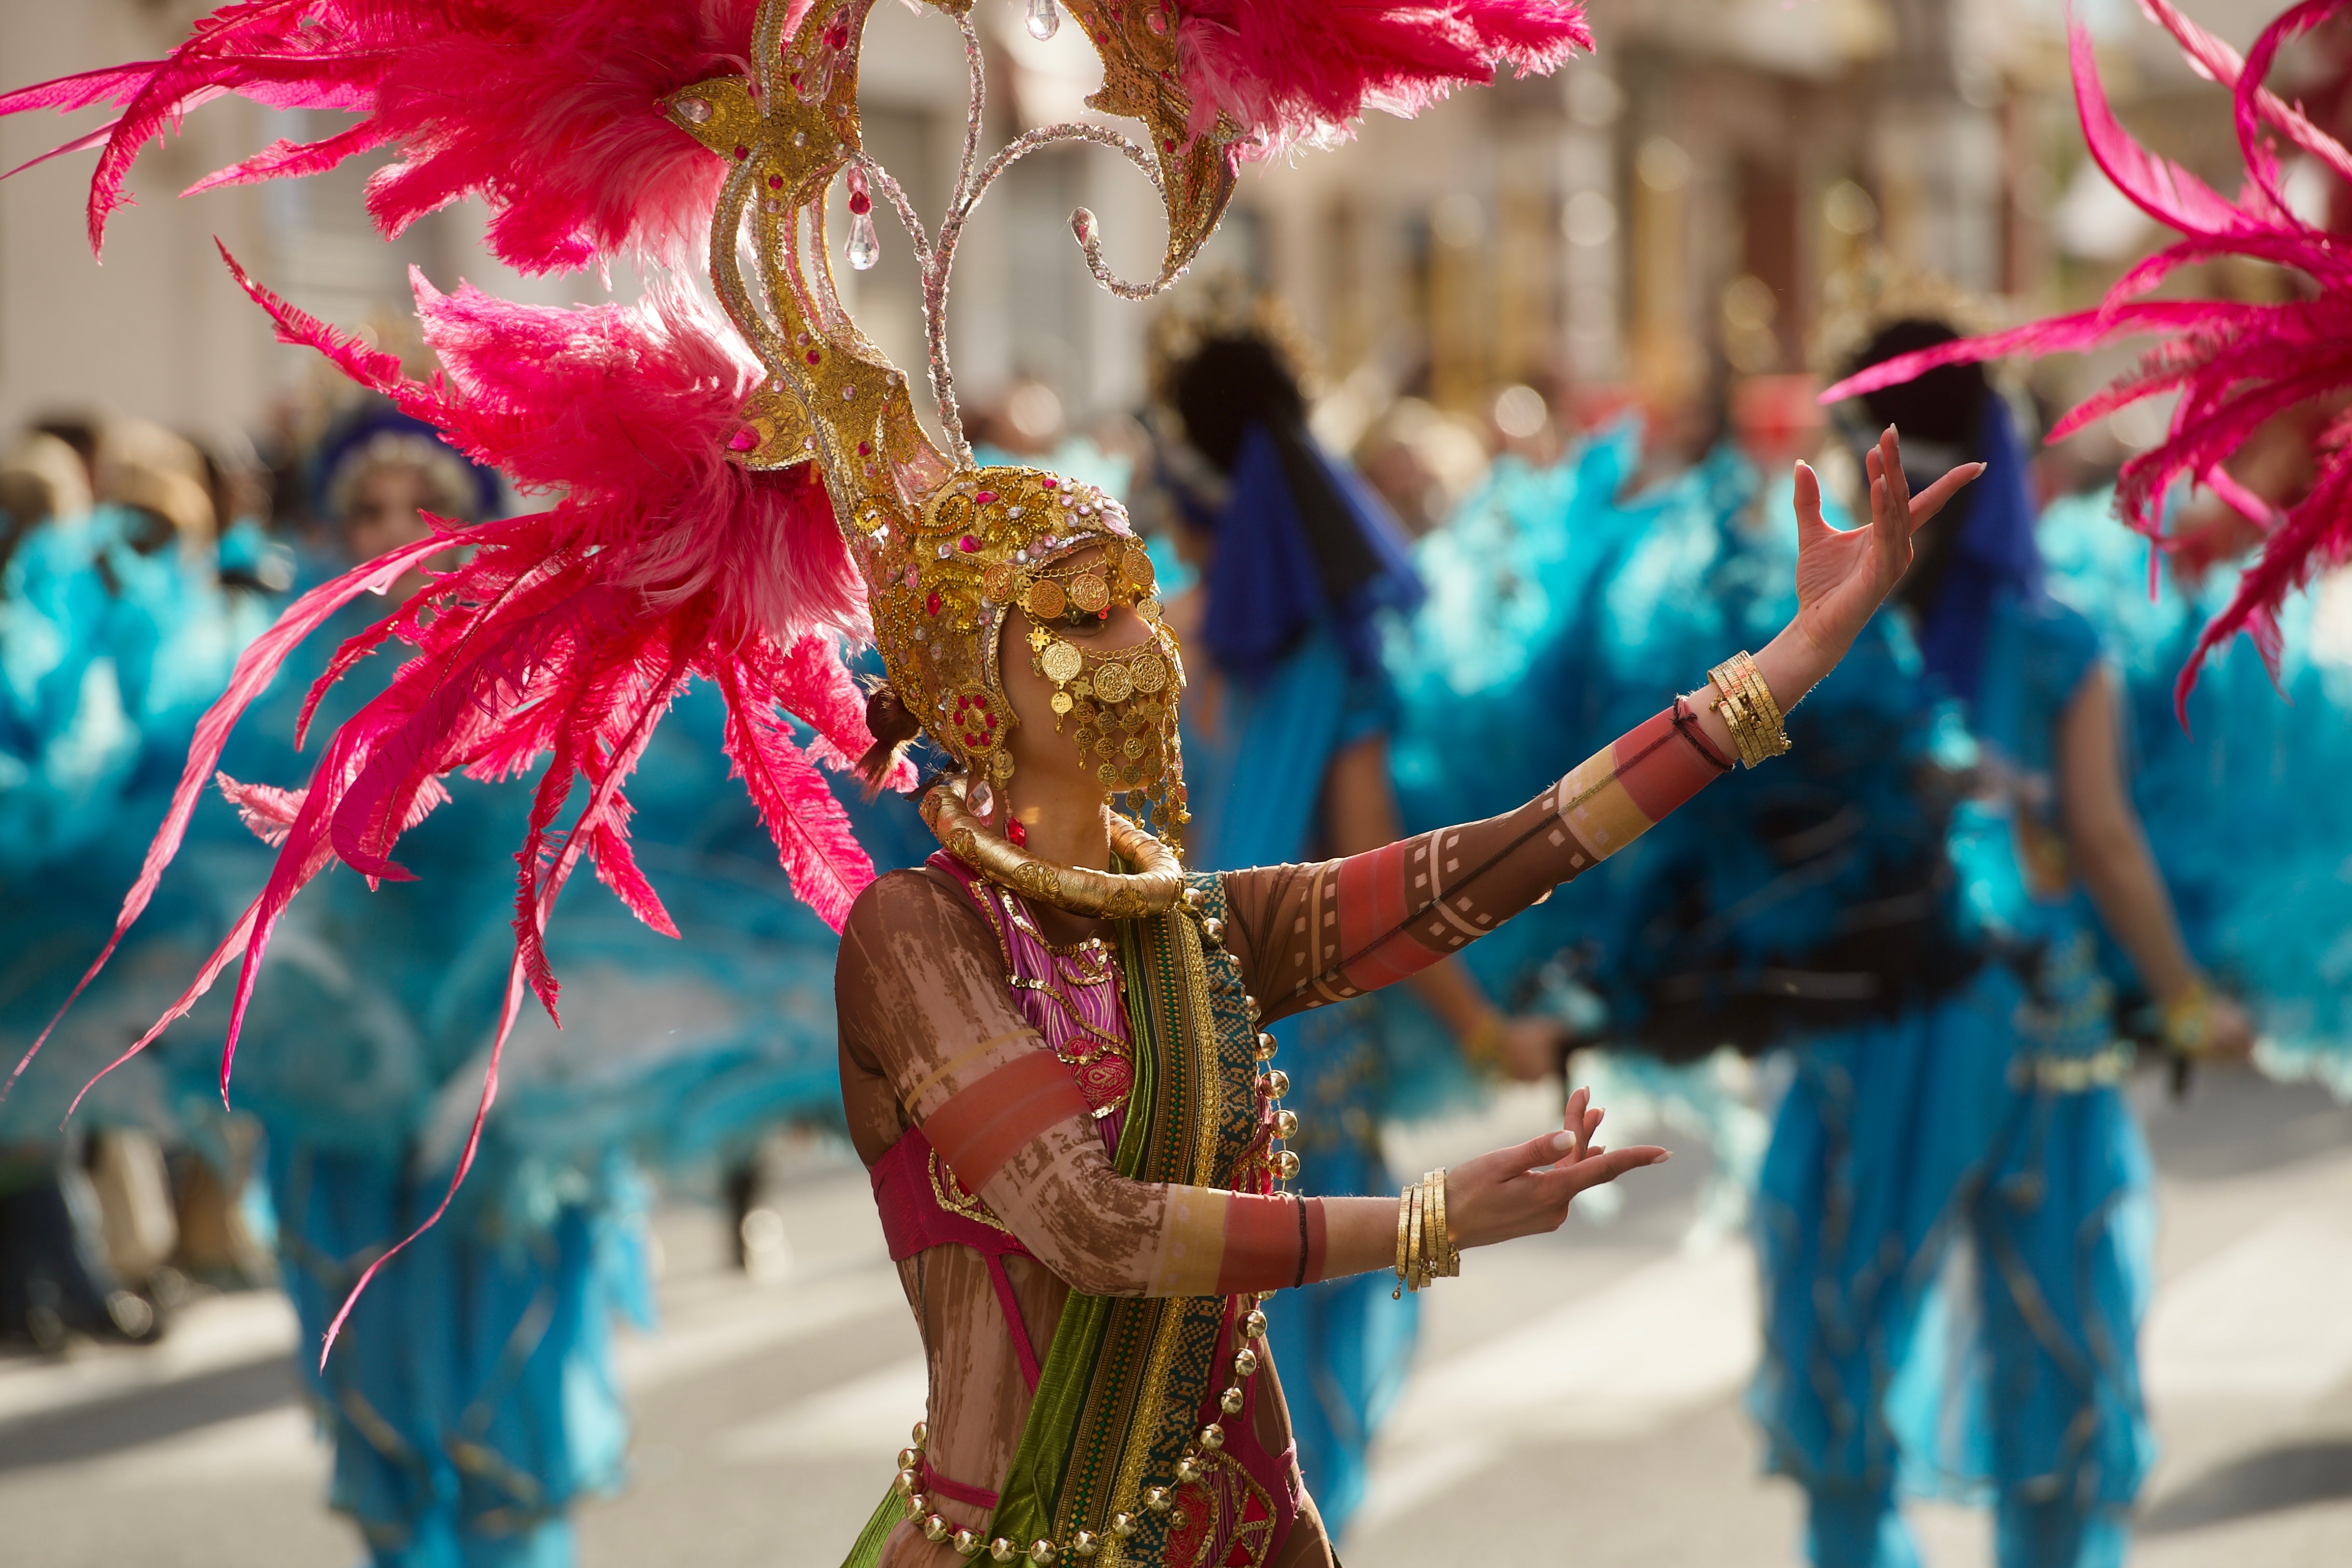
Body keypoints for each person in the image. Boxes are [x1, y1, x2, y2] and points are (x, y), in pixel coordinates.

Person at [1761, 321, 2251, 1568]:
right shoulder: (2055, 637)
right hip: (2042, 1024)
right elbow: (2105, 839)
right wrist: (2188, 1006)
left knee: (1846, 1346)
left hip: (1866, 1020)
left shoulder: (1810, 634)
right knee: (2055, 1353)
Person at [1133, 295, 1566, 1537]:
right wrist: (1487, 1035)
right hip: (1294, 1068)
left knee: (1181, 1415)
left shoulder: (1140, 642)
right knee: (1302, 1414)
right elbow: (1384, 887)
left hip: (1157, 1058)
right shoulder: (1331, 654)